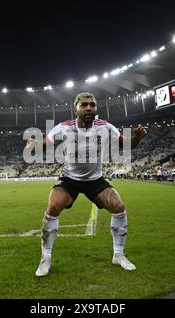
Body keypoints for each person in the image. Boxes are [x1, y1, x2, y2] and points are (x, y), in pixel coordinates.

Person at [26, 92, 147, 277]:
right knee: (53, 206)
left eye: (92, 104)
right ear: (75, 108)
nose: (89, 107)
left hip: (95, 180)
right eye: (84, 105)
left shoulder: (105, 127)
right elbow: (46, 144)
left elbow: (126, 145)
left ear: (96, 108)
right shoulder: (63, 127)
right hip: (70, 180)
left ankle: (119, 254)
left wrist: (137, 137)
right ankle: (46, 258)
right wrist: (34, 144)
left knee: (119, 207)